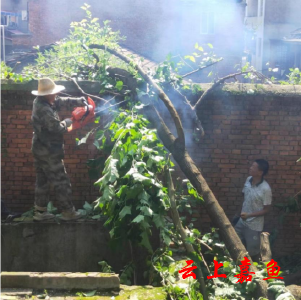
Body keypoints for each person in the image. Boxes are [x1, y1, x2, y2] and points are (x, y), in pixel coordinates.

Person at [31, 78, 87, 221]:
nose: (56, 95)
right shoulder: (43, 108)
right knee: (61, 181)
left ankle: (40, 212)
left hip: (40, 148)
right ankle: (68, 212)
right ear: (47, 94)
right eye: (53, 93)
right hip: (48, 151)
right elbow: (56, 128)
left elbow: (61, 101)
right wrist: (69, 121)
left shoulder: (46, 100)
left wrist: (78, 101)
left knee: (42, 180)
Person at [234, 159, 272, 261]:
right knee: (235, 245)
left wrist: (249, 215)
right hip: (241, 222)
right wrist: (239, 214)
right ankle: (237, 269)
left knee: (252, 253)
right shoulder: (248, 179)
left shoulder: (266, 189)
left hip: (254, 226)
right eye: (251, 166)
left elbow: (266, 210)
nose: (250, 168)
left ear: (260, 172)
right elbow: (245, 197)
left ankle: (253, 274)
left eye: (253, 167)